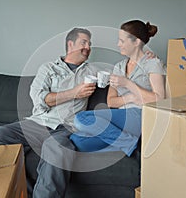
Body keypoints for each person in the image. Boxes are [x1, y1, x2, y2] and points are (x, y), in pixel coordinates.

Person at [0, 28, 97, 198]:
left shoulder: (93, 72)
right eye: (84, 42)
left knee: (57, 148)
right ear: (70, 44)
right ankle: (21, 190)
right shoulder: (48, 68)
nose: (88, 47)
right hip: (38, 123)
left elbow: (120, 76)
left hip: (67, 127)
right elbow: (40, 99)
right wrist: (74, 92)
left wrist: (142, 59)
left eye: (90, 43)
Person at [70, 20, 166, 156]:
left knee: (80, 119)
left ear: (136, 42)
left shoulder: (152, 63)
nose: (118, 44)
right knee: (78, 140)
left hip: (141, 116)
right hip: (123, 119)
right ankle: (131, 143)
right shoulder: (119, 67)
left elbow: (159, 98)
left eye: (122, 41)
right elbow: (111, 101)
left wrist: (127, 84)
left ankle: (128, 142)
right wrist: (131, 97)